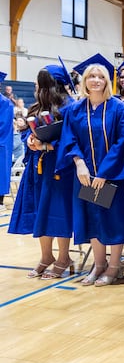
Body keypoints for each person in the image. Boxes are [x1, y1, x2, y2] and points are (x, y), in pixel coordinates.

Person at [58, 56, 124, 287]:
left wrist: (104, 172)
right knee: (92, 219)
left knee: (113, 220)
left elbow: (122, 142)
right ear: (84, 81)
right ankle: (98, 264)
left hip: (111, 175)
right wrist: (79, 163)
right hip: (85, 176)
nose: (96, 80)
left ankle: (114, 266)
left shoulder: (119, 109)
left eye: (101, 76)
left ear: (108, 81)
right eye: (91, 76)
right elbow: (69, 138)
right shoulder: (75, 110)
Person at [8, 65, 75, 279]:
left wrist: (47, 146)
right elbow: (30, 130)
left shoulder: (70, 107)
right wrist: (29, 139)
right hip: (37, 167)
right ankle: (47, 256)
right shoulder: (37, 107)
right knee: (40, 211)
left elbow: (72, 139)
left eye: (43, 84)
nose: (39, 89)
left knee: (58, 211)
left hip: (59, 167)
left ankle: (64, 257)